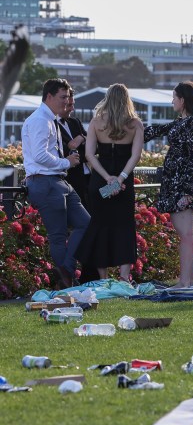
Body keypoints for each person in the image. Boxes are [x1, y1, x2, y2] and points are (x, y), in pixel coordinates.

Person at [21, 78, 89, 288]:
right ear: (49, 96)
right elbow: (39, 155)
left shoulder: (48, 119)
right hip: (45, 181)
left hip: (56, 180)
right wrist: (65, 162)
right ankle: (67, 279)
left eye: (68, 97)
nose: (66, 102)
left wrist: (64, 165)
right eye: (62, 97)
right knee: (58, 235)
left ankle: (65, 272)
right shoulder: (41, 120)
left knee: (85, 223)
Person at [77, 83, 144, 282]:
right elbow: (136, 156)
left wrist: (107, 178)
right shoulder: (135, 124)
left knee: (100, 226)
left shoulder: (96, 122)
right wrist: (120, 178)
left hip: (100, 180)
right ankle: (124, 277)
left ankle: (103, 278)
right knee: (124, 227)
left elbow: (89, 155)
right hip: (124, 182)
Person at [143, 81, 193, 287]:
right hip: (176, 183)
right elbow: (156, 130)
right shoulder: (182, 121)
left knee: (186, 235)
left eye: (174, 97)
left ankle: (185, 282)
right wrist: (131, 128)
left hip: (182, 185)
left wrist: (188, 192)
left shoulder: (191, 123)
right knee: (189, 235)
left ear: (183, 100)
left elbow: (190, 159)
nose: (172, 101)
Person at [57, 89, 98, 284]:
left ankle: (88, 273)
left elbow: (87, 146)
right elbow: (65, 150)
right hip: (68, 181)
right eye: (68, 104)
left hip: (85, 181)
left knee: (89, 226)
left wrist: (80, 139)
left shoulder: (74, 123)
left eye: (72, 104)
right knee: (70, 229)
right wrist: (77, 144)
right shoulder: (53, 124)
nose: (70, 108)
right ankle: (65, 272)